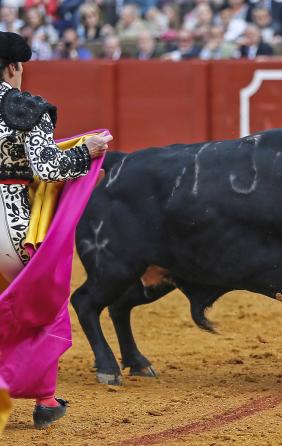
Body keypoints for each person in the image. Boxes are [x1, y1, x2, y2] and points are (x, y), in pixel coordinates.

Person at [0, 31, 110, 429]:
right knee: (41, 306)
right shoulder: (27, 108)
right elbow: (48, 168)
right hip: (13, 222)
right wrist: (85, 152)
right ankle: (45, 400)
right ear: (13, 67)